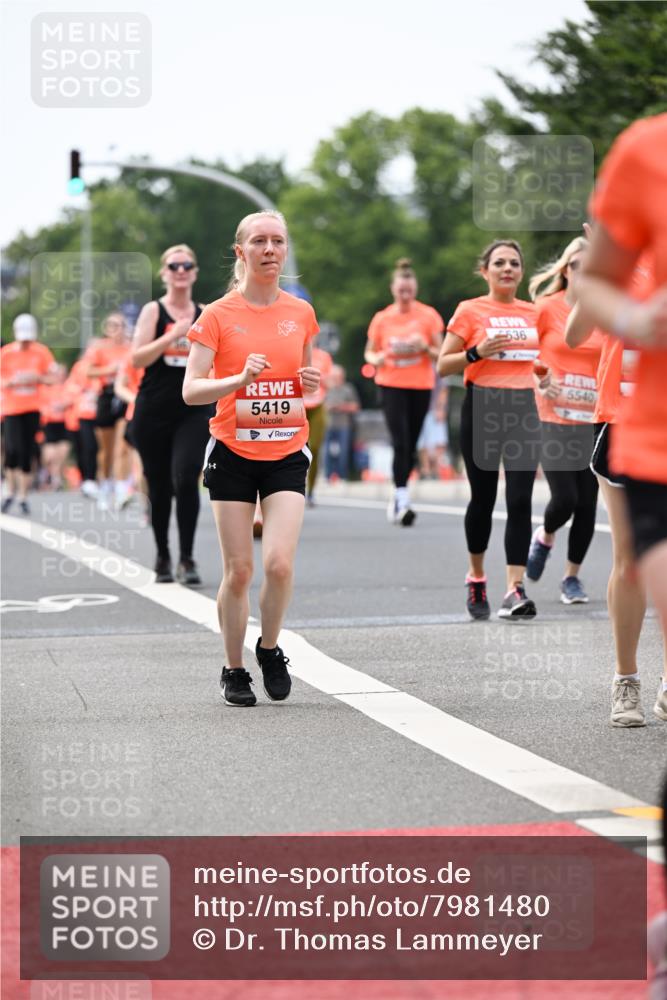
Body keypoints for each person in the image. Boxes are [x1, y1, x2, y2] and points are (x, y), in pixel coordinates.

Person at [183, 210, 320, 707]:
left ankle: (268, 648)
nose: (269, 249)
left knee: (280, 564)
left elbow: (304, 377)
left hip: (286, 448)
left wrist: (311, 385)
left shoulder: (301, 313)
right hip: (232, 451)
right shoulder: (217, 315)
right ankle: (233, 667)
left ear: (285, 251)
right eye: (259, 241)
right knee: (239, 570)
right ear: (240, 252)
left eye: (278, 241)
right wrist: (237, 382)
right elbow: (192, 390)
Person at [576, 111, 667, 724]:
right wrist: (633, 317)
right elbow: (581, 314)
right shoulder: (647, 151)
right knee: (631, 558)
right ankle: (628, 679)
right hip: (637, 426)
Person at [437, 240, 541, 621]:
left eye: (514, 263)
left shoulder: (534, 312)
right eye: (499, 262)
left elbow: (548, 357)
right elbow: (442, 365)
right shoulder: (470, 310)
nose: (507, 268)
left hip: (524, 408)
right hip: (483, 405)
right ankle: (477, 576)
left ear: (521, 272)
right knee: (483, 498)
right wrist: (476, 352)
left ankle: (514, 588)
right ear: (486, 271)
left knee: (520, 499)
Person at [526, 237, 604, 604]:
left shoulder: (605, 312)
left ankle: (571, 578)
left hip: (595, 419)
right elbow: (525, 357)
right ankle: (544, 534)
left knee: (588, 503)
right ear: (565, 270)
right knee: (565, 498)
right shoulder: (545, 308)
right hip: (553, 416)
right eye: (576, 265)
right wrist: (541, 381)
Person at [131, 244, 211, 585]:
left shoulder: (205, 312)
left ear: (194, 272)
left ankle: (188, 558)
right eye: (174, 265)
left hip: (192, 410)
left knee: (186, 476)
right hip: (154, 410)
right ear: (164, 273)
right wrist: (172, 336)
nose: (181, 271)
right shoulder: (154, 311)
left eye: (187, 265)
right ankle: (163, 553)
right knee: (160, 485)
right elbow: (137, 359)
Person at [364, 258, 444, 525]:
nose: (406, 293)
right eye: (401, 289)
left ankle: (399, 491)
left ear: (416, 288)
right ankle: (402, 498)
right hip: (391, 385)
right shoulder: (382, 318)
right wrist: (377, 360)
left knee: (410, 444)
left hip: (420, 386)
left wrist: (424, 347)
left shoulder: (429, 316)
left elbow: (442, 356)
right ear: (393, 289)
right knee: (400, 441)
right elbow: (370, 352)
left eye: (410, 289)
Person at [1, 314, 57, 514]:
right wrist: (11, 382)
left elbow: (54, 377)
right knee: (12, 450)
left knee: (27, 451)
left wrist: (39, 377)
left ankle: (23, 495)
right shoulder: (6, 353)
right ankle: (10, 490)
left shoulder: (41, 352)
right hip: (12, 408)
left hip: (33, 407)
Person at [85, 312, 131, 510]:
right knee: (106, 449)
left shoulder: (131, 347)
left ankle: (121, 489)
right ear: (106, 329)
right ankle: (104, 485)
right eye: (112, 326)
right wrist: (111, 370)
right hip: (106, 395)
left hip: (125, 397)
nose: (117, 329)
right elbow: (89, 371)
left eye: (120, 325)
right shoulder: (100, 348)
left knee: (123, 446)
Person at [304, 336, 333, 506]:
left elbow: (330, 382)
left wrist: (315, 377)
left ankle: (311, 489)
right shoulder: (293, 350)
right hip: (296, 405)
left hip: (317, 405)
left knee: (314, 448)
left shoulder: (323, 356)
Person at [65, 355, 99, 499]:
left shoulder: (102, 368)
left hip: (96, 415)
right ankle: (84, 479)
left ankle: (91, 478)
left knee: (92, 447)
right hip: (79, 416)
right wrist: (82, 390)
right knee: (81, 449)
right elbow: (70, 386)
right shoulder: (79, 366)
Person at [324, 364, 360, 481]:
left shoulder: (348, 389)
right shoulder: (327, 389)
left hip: (344, 425)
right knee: (326, 451)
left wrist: (341, 407)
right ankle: (328, 475)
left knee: (344, 451)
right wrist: (329, 407)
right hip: (328, 424)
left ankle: (342, 475)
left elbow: (355, 407)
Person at [40, 364, 71, 491]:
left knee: (62, 452)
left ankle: (56, 477)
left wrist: (63, 405)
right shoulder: (46, 388)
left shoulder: (68, 387)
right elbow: (41, 404)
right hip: (50, 422)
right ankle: (48, 474)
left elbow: (72, 399)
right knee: (50, 455)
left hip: (64, 422)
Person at [417, 377, 449, 480]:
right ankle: (426, 470)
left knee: (438, 442)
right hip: (422, 408)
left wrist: (440, 408)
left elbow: (443, 389)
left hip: (433, 410)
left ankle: (435, 469)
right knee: (422, 442)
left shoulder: (436, 368)